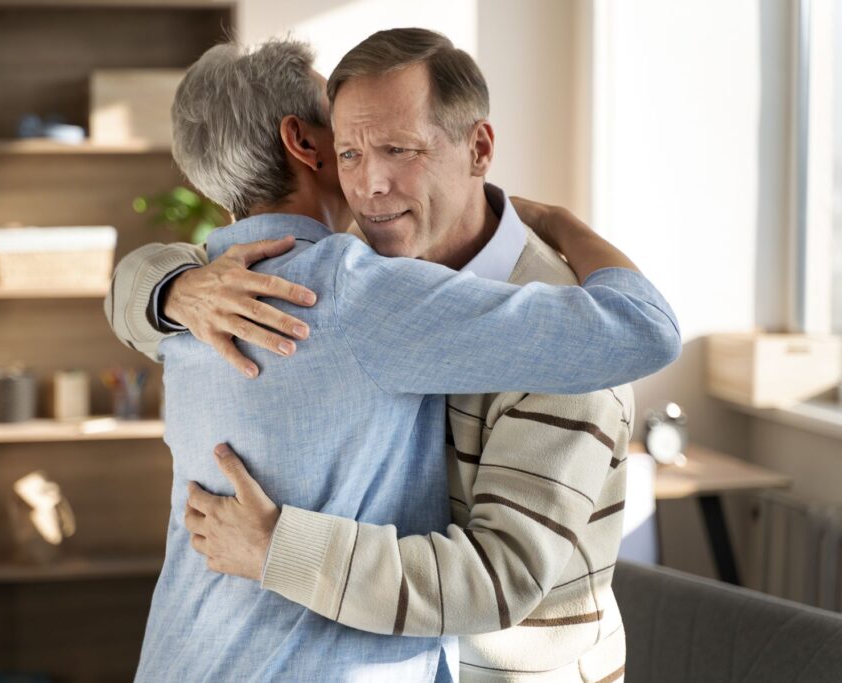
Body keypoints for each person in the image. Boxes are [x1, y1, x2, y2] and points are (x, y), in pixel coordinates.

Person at [105, 32, 679, 683]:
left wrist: (164, 287)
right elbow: (642, 328)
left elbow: (498, 576)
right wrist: (169, 289)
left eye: (397, 149)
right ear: (309, 145)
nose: (371, 182)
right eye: (348, 146)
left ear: (479, 148)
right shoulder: (331, 285)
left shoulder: (200, 298)